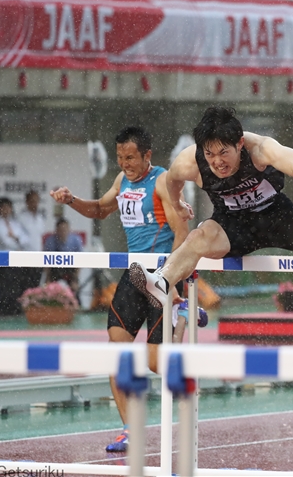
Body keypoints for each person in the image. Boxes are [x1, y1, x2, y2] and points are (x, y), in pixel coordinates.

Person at [127, 106, 293, 315]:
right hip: (231, 225)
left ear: (239, 144)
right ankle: (161, 282)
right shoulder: (190, 161)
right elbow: (172, 181)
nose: (217, 162)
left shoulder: (260, 149)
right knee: (197, 237)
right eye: (210, 154)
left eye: (224, 153)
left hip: (278, 215)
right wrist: (177, 204)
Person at [49, 127, 193, 453]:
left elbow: (182, 232)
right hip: (134, 272)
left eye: (130, 157)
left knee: (157, 364)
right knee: (118, 355)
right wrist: (71, 200)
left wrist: (174, 277)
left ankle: (182, 311)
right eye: (120, 157)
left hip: (163, 274)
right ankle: (130, 430)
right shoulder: (122, 181)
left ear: (147, 156)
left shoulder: (162, 181)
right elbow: (100, 209)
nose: (125, 163)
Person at [0, 198, 31, 316]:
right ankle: (2, 313)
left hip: (16, 259)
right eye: (4, 207)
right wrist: (17, 239)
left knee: (17, 288)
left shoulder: (15, 223)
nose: (7, 210)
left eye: (9, 207)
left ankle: (14, 312)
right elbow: (6, 242)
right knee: (5, 288)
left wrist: (15, 237)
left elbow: (26, 240)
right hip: (2, 260)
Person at [43, 218, 84, 298]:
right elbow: (46, 262)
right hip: (55, 270)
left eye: (65, 229)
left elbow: (80, 261)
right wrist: (48, 279)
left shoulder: (76, 240)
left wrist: (75, 279)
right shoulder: (50, 241)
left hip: (71, 270)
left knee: (74, 293)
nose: (63, 232)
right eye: (60, 230)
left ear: (69, 229)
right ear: (56, 230)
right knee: (50, 292)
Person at [17, 190, 45, 289]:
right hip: (25, 257)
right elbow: (19, 238)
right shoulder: (21, 217)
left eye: (37, 201)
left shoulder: (40, 218)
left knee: (36, 287)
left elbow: (39, 237)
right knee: (24, 286)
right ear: (27, 202)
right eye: (32, 201)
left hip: (38, 257)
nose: (35, 203)